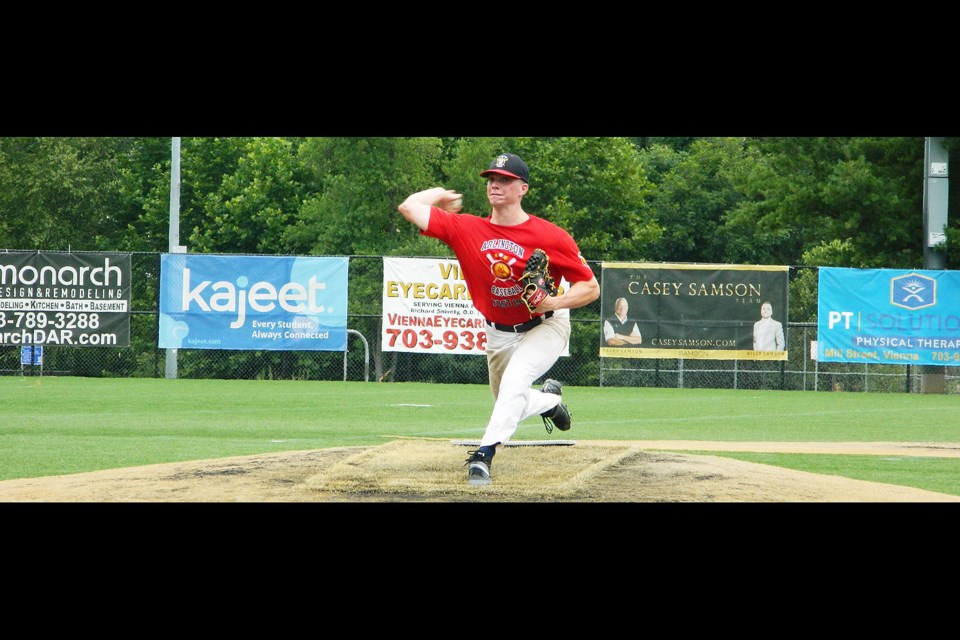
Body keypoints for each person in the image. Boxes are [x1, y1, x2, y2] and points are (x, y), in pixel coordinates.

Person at [397, 152, 600, 485]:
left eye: (505, 180)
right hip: (499, 334)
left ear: (523, 188)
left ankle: (483, 457)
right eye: (492, 179)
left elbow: (590, 287)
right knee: (510, 399)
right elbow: (409, 207)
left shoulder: (550, 236)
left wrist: (554, 300)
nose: (495, 184)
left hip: (546, 325)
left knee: (515, 383)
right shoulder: (466, 228)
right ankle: (549, 401)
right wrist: (440, 194)